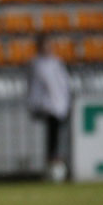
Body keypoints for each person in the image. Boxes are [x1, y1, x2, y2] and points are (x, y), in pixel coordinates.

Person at [27, 34, 71, 182]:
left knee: (58, 136)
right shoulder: (36, 64)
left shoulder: (57, 63)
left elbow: (63, 84)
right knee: (52, 136)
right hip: (46, 105)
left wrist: (65, 102)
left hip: (59, 105)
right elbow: (35, 86)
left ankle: (56, 164)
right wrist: (34, 103)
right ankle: (52, 164)